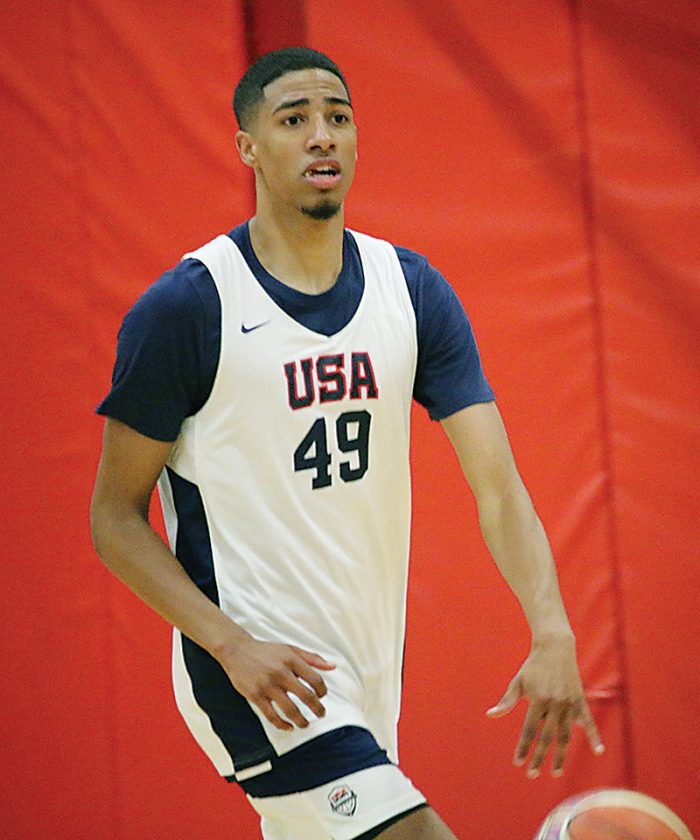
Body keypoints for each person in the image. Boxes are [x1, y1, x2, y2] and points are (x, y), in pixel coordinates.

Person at [90, 46, 605, 840]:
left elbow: (498, 487)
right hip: (260, 677)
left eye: (338, 117)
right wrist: (232, 646)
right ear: (248, 147)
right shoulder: (189, 307)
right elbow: (114, 519)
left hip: (366, 674)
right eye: (294, 119)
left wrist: (553, 628)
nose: (321, 135)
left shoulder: (412, 291)